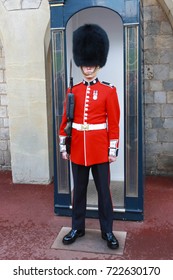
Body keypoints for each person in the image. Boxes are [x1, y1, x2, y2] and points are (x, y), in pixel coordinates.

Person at [59, 24, 120, 249]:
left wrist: (112, 148)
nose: (88, 69)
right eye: (85, 65)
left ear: (98, 64)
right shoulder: (73, 91)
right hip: (78, 150)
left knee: (104, 193)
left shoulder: (108, 91)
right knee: (79, 192)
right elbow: (65, 121)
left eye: (91, 65)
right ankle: (77, 227)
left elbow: (113, 123)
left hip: (99, 149)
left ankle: (108, 231)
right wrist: (64, 145)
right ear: (81, 64)